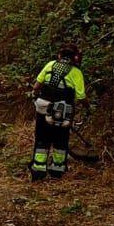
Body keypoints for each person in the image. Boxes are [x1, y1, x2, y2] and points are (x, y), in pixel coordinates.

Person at [30, 43, 86, 180]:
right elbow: (81, 96)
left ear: (60, 55)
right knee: (60, 141)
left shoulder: (50, 65)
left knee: (41, 139)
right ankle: (57, 171)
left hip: (43, 108)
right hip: (63, 112)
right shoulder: (76, 72)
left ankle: (38, 171)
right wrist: (88, 107)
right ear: (75, 57)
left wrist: (34, 95)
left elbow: (36, 86)